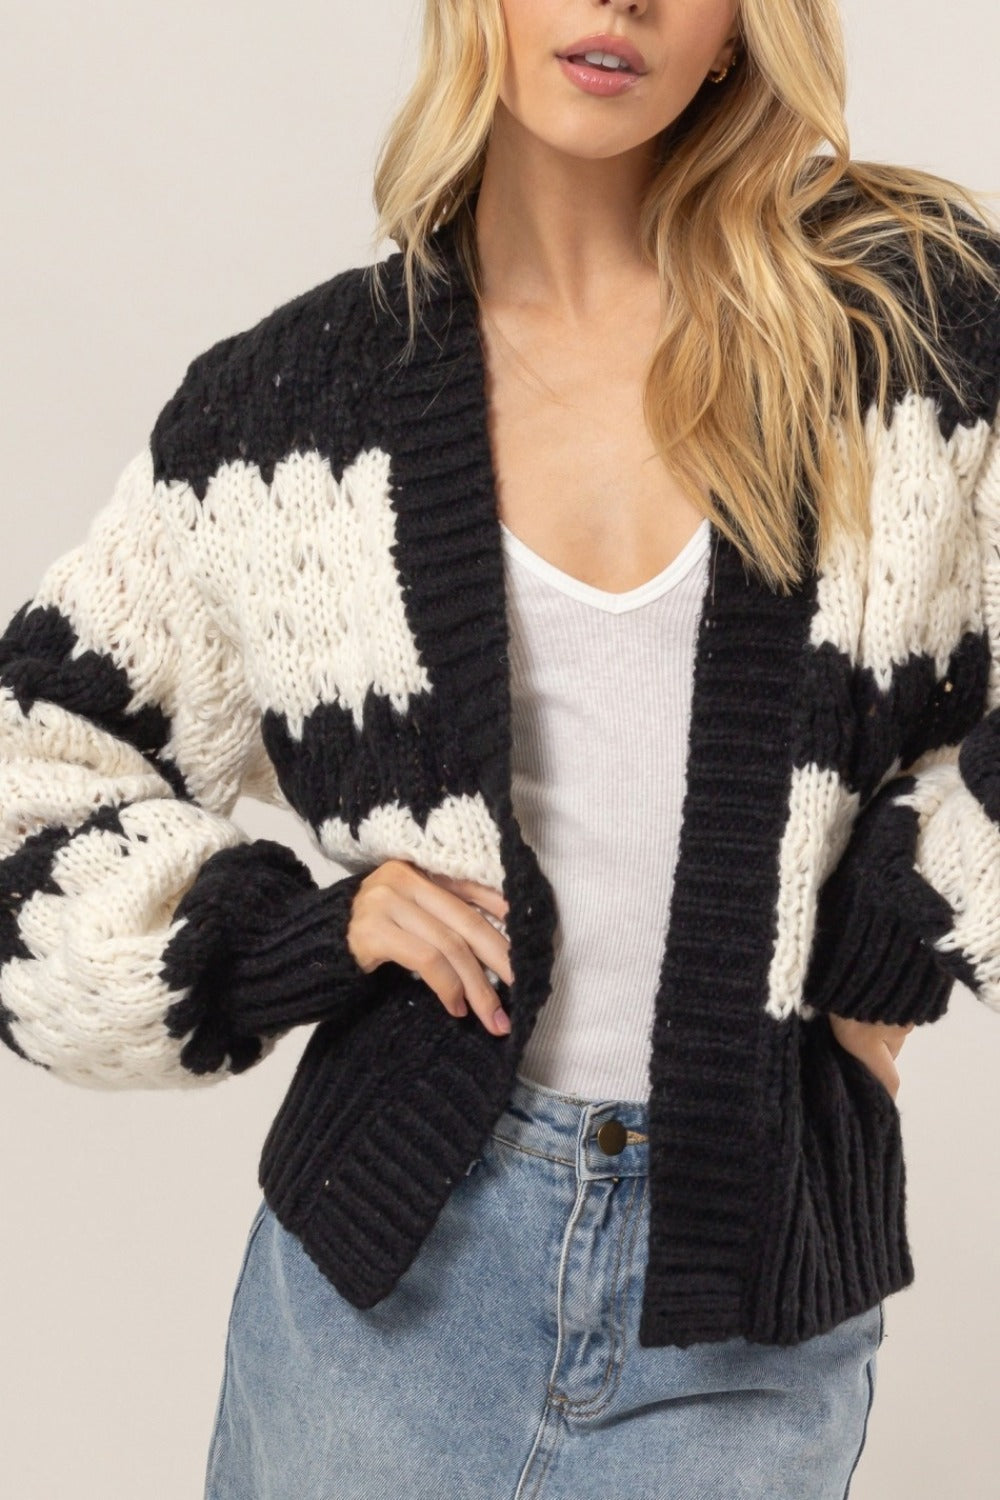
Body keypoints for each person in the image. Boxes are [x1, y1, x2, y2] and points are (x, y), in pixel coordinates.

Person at [2, 1, 999, 1496]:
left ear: (743, 28)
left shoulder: (907, 336)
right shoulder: (296, 409)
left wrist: (896, 932)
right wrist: (301, 937)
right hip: (382, 1295)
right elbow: (31, 771)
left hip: (750, 1304)